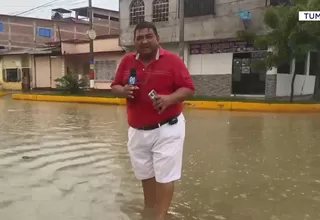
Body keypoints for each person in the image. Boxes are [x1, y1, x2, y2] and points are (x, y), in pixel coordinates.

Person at [111, 21, 195, 220]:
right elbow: (114, 86)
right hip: (137, 130)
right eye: (139, 37)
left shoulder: (173, 61)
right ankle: (149, 210)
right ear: (134, 42)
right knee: (145, 174)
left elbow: (188, 88)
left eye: (149, 36)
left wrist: (169, 99)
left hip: (168, 128)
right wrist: (122, 91)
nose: (144, 41)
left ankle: (160, 216)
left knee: (165, 175)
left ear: (158, 39)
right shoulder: (127, 62)